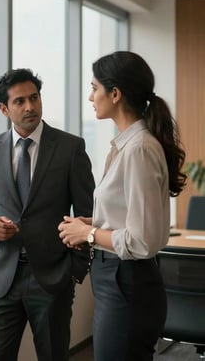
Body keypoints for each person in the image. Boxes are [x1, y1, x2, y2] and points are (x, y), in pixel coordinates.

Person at [58, 51, 186, 361]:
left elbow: (140, 241)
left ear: (115, 94)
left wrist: (88, 233)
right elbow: (128, 216)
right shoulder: (127, 145)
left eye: (94, 88)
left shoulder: (138, 149)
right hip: (119, 280)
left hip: (127, 281)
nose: (90, 96)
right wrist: (95, 222)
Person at [0, 68, 95, 361]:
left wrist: (74, 271)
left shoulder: (70, 148)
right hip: (1, 280)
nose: (30, 107)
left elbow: (88, 214)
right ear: (4, 108)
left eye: (34, 98)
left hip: (52, 279)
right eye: (20, 101)